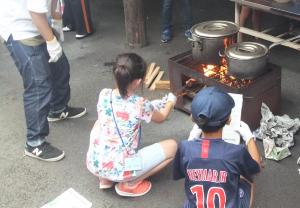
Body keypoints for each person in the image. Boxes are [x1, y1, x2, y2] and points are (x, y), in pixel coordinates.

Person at [0, 0, 87, 162]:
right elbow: (35, 12)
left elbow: (54, 2)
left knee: (60, 66)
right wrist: (52, 42)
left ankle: (57, 108)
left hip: (37, 19)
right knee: (38, 84)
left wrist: (56, 24)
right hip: (19, 28)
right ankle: (34, 143)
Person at [86, 53, 178, 197]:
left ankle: (105, 179)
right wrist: (172, 100)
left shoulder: (104, 94)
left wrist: (151, 106)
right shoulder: (140, 104)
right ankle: (130, 183)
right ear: (137, 82)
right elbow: (161, 117)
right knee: (172, 146)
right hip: (122, 168)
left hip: (95, 163)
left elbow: (123, 108)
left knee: (100, 122)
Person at [173, 86, 261, 208]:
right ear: (229, 119)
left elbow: (183, 172)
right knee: (248, 180)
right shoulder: (236, 152)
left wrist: (191, 139)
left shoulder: (184, 148)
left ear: (192, 118)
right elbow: (256, 167)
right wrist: (249, 137)